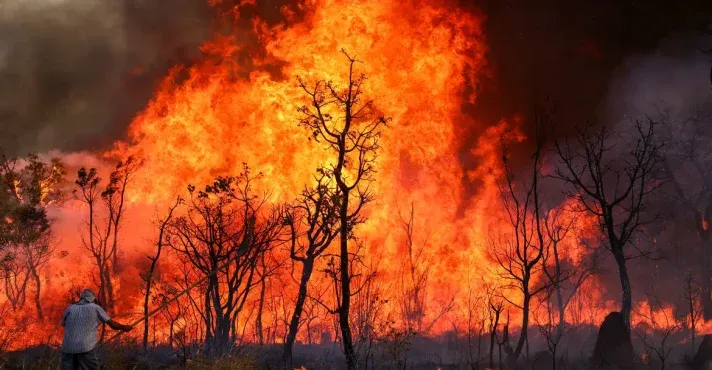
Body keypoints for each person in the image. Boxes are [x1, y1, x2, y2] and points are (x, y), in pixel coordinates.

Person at [60, 289, 133, 370]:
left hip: (67, 348)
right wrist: (124, 327)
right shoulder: (95, 308)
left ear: (81, 298)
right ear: (92, 299)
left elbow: (64, 324)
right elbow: (112, 324)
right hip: (85, 348)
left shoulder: (70, 309)